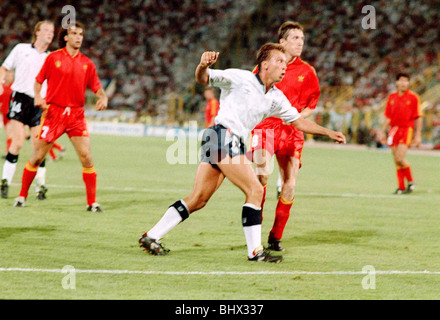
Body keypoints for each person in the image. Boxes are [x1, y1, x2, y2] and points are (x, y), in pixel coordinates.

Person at [138, 44, 346, 263]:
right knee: (255, 190)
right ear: (265, 65)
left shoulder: (275, 97)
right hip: (222, 137)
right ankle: (255, 251)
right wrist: (202, 65)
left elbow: (299, 121)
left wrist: (328, 132)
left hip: (223, 140)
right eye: (279, 61)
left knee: (198, 199)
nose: (284, 67)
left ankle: (152, 236)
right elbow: (203, 78)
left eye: (285, 63)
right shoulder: (240, 78)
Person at [14, 22, 108, 212]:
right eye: (74, 34)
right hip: (54, 113)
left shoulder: (87, 63)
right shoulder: (53, 58)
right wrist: (39, 97)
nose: (79, 37)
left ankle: (92, 203)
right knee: (38, 156)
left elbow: (97, 87)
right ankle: (22, 196)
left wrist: (103, 97)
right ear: (65, 37)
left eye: (81, 34)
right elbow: (38, 81)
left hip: (76, 115)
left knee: (86, 157)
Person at [249, 21, 321, 251]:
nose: (300, 43)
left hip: (293, 131)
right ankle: (254, 230)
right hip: (267, 126)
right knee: (261, 176)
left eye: (302, 39)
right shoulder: (268, 65)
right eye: (295, 38)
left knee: (289, 184)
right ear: (282, 42)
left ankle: (275, 237)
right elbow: (252, 93)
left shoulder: (308, 72)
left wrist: (298, 115)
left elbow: (312, 103)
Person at [0, 20, 54, 200]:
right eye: (46, 30)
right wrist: (0, 83)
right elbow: (4, 67)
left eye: (52, 31)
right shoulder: (21, 49)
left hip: (40, 103)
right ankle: (5, 182)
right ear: (37, 32)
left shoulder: (52, 57)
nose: (50, 33)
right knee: (17, 142)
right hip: (21, 99)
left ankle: (40, 187)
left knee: (39, 147)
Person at [380, 73, 422, 194]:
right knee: (396, 160)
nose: (404, 83)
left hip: (406, 129)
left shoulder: (413, 97)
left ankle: (410, 181)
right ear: (397, 82)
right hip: (393, 130)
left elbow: (418, 117)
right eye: (402, 80)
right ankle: (401, 187)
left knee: (400, 157)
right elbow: (388, 116)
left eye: (406, 81)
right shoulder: (392, 97)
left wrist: (418, 135)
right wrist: (382, 132)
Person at [0, 71, 14, 155]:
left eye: (11, 75)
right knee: (10, 134)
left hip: (12, 114)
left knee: (10, 133)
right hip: (4, 114)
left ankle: (8, 152)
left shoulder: (15, 87)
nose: (9, 77)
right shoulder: (3, 87)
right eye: (8, 75)